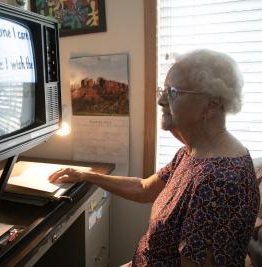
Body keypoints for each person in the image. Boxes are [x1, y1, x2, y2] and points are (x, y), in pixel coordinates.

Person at [49, 49, 260, 266]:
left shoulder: (219, 182)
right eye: (163, 90)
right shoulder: (192, 153)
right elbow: (143, 188)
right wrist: (85, 176)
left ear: (211, 105)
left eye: (173, 92)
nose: (160, 100)